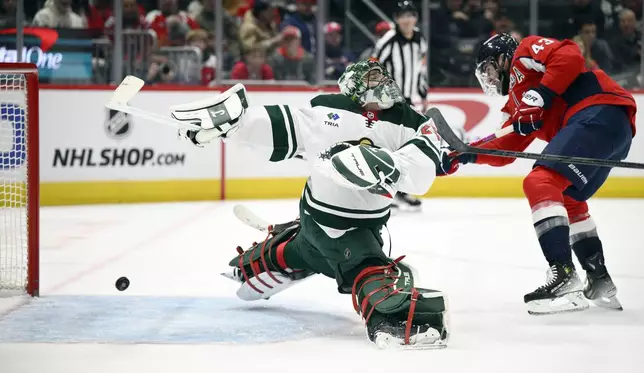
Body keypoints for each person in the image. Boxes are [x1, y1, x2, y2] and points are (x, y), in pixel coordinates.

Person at [169, 59, 449, 349]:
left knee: (306, 252)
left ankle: (268, 261)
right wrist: (230, 127)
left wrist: (394, 164)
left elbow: (420, 169)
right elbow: (275, 126)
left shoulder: (408, 120)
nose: (383, 82)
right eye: (373, 77)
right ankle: (257, 266)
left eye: (383, 75)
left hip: (352, 234)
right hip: (314, 224)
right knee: (364, 269)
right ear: (354, 85)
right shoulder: (327, 109)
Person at [439, 33, 636, 314]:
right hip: (612, 130)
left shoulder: (524, 52)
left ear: (503, 58)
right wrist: (467, 154)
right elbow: (508, 147)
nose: (491, 79)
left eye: (490, 70)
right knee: (567, 198)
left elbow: (570, 55)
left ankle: (563, 275)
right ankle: (599, 278)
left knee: (539, 181)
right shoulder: (515, 106)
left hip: (597, 111)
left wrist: (541, 95)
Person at [372, 0, 428, 211]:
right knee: (387, 145)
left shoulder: (420, 40)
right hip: (386, 101)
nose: (407, 20)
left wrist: (423, 95)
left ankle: (400, 191)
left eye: (410, 15)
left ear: (415, 18)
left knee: (405, 146)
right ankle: (384, 190)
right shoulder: (388, 41)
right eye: (402, 16)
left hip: (408, 100)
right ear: (396, 19)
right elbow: (374, 67)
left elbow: (420, 70)